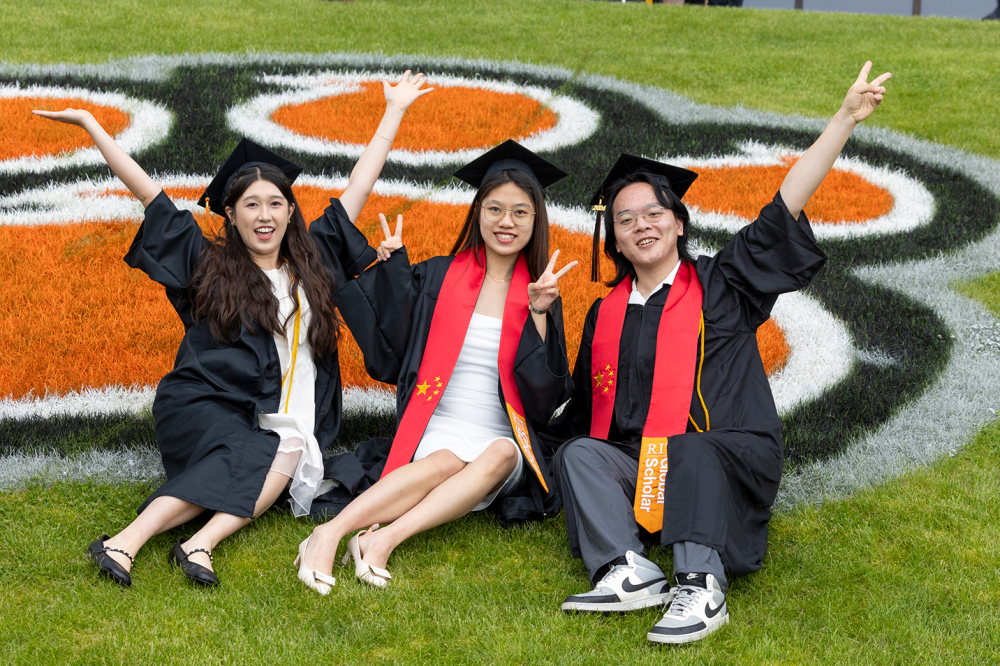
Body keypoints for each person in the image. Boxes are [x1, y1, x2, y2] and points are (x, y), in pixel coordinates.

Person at [34, 71, 433, 588]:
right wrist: (93, 127)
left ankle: (201, 542)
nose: (264, 215)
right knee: (250, 451)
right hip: (208, 401)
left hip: (278, 415)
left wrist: (394, 112)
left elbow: (360, 182)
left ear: (291, 212)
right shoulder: (209, 263)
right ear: (231, 213)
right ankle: (126, 539)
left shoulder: (314, 261)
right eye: (251, 204)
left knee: (286, 449)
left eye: (275, 204)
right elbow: (150, 196)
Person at [551, 62, 890, 644]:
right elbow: (585, 410)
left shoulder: (722, 284)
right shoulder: (605, 313)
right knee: (580, 452)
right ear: (615, 237)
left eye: (655, 213)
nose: (641, 226)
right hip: (644, 466)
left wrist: (842, 120)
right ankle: (625, 569)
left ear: (679, 224)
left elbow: (781, 208)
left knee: (691, 447)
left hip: (727, 456)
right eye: (626, 219)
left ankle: (700, 587)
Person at [292, 140, 577, 594]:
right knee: (446, 458)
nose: (507, 222)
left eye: (521, 212)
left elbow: (544, 400)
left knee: (503, 452)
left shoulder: (540, 293)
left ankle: (383, 537)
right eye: (495, 209)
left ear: (535, 221)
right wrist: (393, 269)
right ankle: (332, 536)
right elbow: (394, 344)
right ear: (478, 212)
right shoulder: (440, 276)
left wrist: (540, 314)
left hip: (501, 433)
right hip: (438, 421)